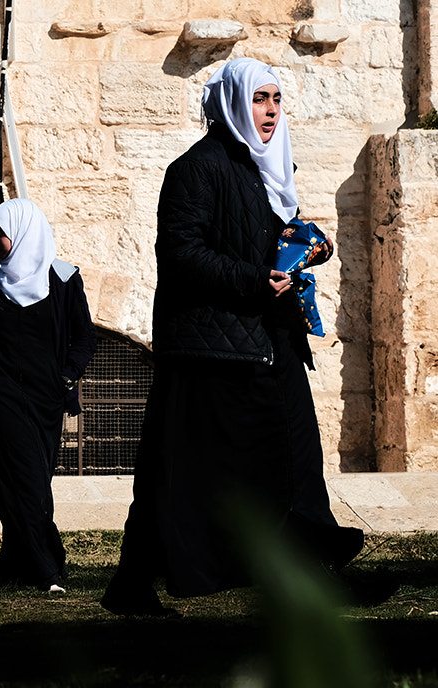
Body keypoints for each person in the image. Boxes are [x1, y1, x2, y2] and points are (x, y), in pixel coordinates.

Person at [101, 58, 364, 615]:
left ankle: (310, 576)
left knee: (294, 460)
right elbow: (180, 254)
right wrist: (252, 279)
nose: (269, 111)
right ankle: (135, 582)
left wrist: (307, 247)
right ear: (230, 103)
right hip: (212, 350)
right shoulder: (197, 168)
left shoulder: (266, 166)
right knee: (178, 470)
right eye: (259, 99)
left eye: (275, 99)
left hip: (269, 341)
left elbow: (269, 238)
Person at [0, 198, 96, 593]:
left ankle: (16, 567)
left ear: (20, 234)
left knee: (33, 481)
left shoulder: (64, 279)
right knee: (15, 479)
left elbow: (84, 337)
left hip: (46, 397)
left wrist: (67, 375)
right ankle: (45, 569)